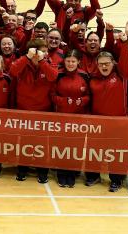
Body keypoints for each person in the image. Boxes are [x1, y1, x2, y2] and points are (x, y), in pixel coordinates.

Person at [10, 39, 57, 183]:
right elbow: (13, 71)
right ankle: (22, 168)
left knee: (42, 144)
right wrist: (26, 58)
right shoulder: (24, 62)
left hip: (43, 111)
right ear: (33, 52)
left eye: (46, 50)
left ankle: (42, 170)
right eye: (43, 50)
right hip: (24, 110)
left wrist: (43, 62)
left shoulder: (48, 62)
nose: (46, 53)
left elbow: (53, 76)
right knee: (25, 142)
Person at [86, 51, 128, 191]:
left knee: (116, 153)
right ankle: (93, 175)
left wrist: (124, 42)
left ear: (113, 64)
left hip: (118, 124)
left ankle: (117, 180)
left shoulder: (121, 76)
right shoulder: (92, 79)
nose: (104, 66)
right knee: (94, 151)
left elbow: (124, 60)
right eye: (101, 64)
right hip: (98, 124)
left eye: (107, 63)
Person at [51, 50, 90, 187]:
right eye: (68, 61)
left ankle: (73, 173)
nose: (70, 63)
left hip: (78, 120)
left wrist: (83, 100)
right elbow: (52, 95)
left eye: (73, 61)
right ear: (64, 61)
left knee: (76, 147)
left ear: (78, 62)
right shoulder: (58, 75)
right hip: (61, 118)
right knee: (62, 147)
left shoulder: (84, 76)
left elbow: (89, 96)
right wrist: (63, 101)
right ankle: (61, 173)